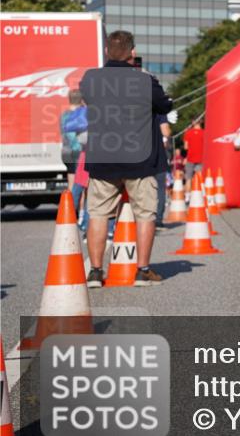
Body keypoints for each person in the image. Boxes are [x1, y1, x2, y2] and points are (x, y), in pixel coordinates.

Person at [79, 30, 173, 287]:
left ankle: (96, 272)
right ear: (133, 53)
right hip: (140, 159)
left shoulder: (90, 79)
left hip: (103, 158)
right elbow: (165, 106)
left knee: (98, 213)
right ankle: (143, 270)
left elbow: (87, 100)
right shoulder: (145, 80)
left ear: (107, 51)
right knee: (145, 214)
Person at [60, 89, 88, 190]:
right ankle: (79, 206)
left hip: (66, 152)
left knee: (71, 182)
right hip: (77, 151)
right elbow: (74, 137)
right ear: (81, 100)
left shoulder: (64, 115)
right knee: (81, 183)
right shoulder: (80, 115)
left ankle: (70, 204)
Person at [154, 116, 171, 228]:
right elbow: (165, 131)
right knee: (160, 188)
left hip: (139, 154)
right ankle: (158, 220)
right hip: (158, 155)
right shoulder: (160, 109)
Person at [183, 120, 204, 185]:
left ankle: (187, 195)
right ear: (201, 122)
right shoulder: (205, 132)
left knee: (188, 179)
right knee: (200, 179)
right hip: (201, 158)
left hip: (190, 158)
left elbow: (185, 147)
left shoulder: (188, 132)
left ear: (193, 122)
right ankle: (201, 194)